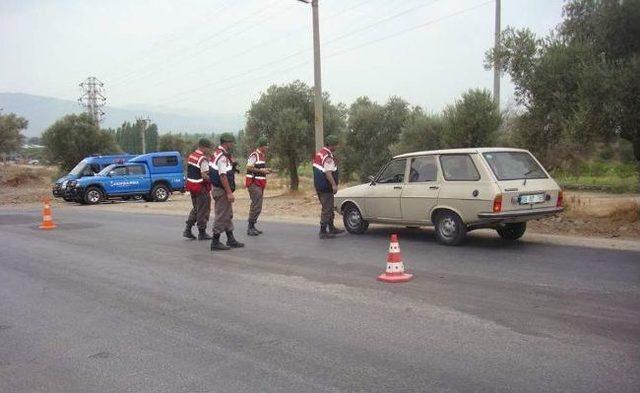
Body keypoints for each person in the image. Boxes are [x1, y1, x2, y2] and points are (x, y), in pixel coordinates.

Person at [209, 133, 244, 251]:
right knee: (221, 215)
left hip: (219, 189)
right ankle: (215, 241)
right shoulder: (222, 157)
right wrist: (229, 192)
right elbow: (223, 175)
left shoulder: (218, 153)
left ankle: (231, 239)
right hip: (222, 190)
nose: (232, 144)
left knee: (227, 215)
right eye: (231, 142)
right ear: (226, 143)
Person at [312, 134, 345, 239]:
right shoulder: (327, 156)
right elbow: (328, 172)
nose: (337, 147)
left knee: (329, 207)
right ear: (331, 145)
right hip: (325, 187)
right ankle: (323, 231)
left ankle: (331, 227)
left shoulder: (321, 153)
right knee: (327, 208)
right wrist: (334, 185)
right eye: (336, 144)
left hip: (320, 185)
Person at [183, 138, 213, 240]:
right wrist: (214, 180)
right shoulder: (202, 158)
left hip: (192, 186)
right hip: (201, 187)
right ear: (204, 147)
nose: (209, 150)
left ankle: (188, 229)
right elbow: (204, 175)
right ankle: (202, 232)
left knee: (196, 209)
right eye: (208, 148)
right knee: (203, 210)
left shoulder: (192, 156)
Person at [245, 136, 272, 236]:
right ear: (262, 146)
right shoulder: (254, 155)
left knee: (258, 205)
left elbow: (260, 168)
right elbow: (248, 167)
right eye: (266, 146)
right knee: (256, 204)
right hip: (253, 183)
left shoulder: (262, 156)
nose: (267, 148)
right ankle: (250, 227)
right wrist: (261, 171)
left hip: (260, 183)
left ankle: (253, 226)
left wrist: (267, 170)